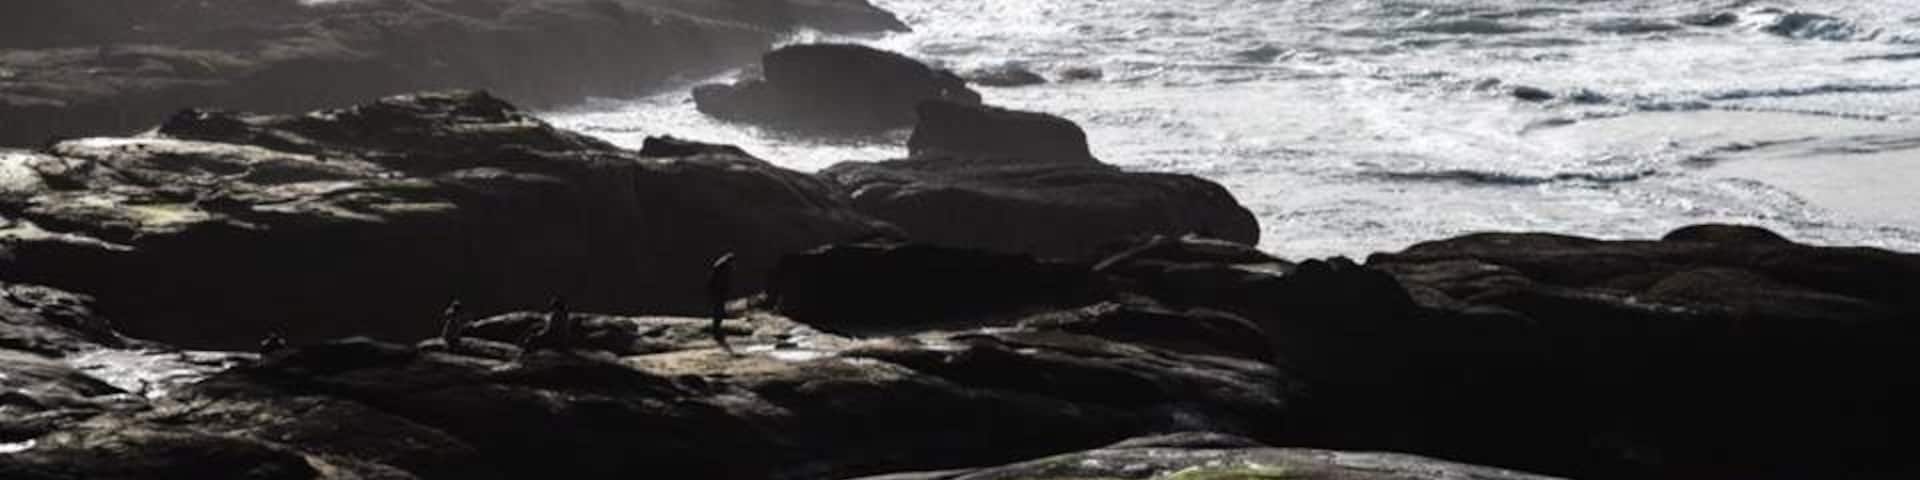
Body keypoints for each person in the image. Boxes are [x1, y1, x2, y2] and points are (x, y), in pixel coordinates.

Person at [706, 253, 737, 353]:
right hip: (718, 292)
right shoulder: (722, 267)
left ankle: (716, 330)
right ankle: (716, 331)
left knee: (718, 310)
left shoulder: (720, 266)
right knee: (718, 311)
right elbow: (720, 281)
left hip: (717, 292)